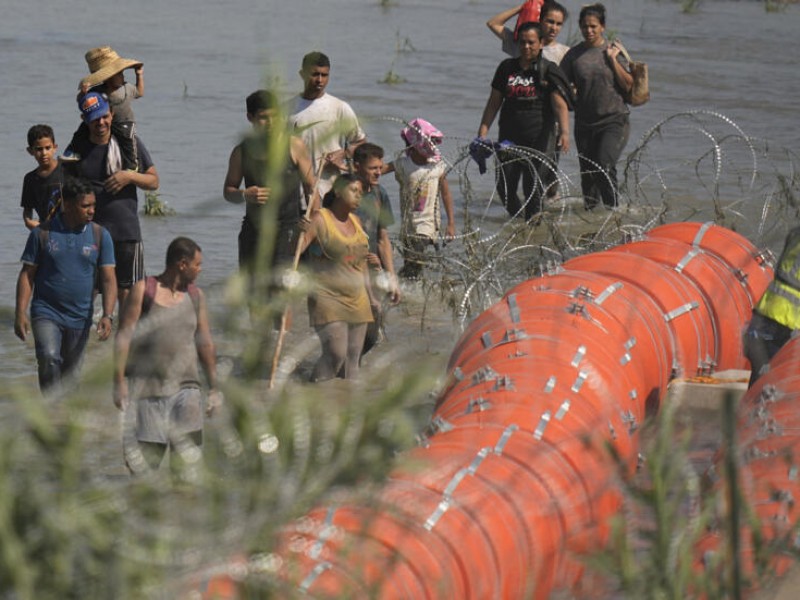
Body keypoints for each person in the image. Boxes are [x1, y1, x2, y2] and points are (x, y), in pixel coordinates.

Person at [113, 237, 223, 474]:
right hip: (148, 390)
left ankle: (183, 506)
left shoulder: (196, 297)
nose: (200, 269)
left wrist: (214, 389)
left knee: (186, 469)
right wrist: (119, 381)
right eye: (197, 264)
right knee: (144, 468)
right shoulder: (144, 290)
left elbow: (205, 343)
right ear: (182, 264)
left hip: (188, 389)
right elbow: (123, 337)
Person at [14, 177, 116, 394]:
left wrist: (108, 314)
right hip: (46, 312)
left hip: (80, 316)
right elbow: (27, 275)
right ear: (67, 205)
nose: (91, 211)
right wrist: (20, 312)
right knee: (49, 358)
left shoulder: (100, 235)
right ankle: (50, 409)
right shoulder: (41, 233)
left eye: (93, 205)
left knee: (71, 378)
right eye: (85, 206)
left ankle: (62, 420)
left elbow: (108, 278)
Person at [67, 91, 160, 313]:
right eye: (94, 118)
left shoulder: (129, 143)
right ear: (84, 120)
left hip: (126, 231)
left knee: (128, 294)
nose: (101, 122)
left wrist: (128, 176)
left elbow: (154, 181)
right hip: (90, 233)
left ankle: (124, 346)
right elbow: (64, 191)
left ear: (111, 113)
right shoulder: (77, 150)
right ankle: (83, 342)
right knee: (86, 290)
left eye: (104, 116)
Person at [223, 89, 319, 297]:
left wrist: (311, 223)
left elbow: (312, 190)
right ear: (250, 118)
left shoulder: (294, 146)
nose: (271, 123)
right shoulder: (242, 152)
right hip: (253, 232)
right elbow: (228, 191)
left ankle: (280, 331)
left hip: (288, 231)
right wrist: (245, 194)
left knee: (281, 297)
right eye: (263, 118)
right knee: (253, 294)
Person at [477, 22, 573, 220]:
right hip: (509, 137)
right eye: (522, 42)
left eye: (531, 43)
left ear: (541, 43)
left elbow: (559, 105)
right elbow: (494, 103)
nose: (526, 47)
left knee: (532, 187)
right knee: (505, 188)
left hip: (539, 139)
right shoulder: (507, 68)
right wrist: (483, 132)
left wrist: (564, 132)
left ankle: (533, 229)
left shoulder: (548, 70)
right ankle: (519, 224)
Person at [297, 174, 375, 381]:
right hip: (327, 296)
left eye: (361, 193)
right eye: (354, 191)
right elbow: (296, 254)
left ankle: (348, 406)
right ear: (338, 191)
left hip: (358, 298)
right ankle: (311, 393)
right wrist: (298, 234)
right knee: (335, 355)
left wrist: (372, 298)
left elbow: (362, 264)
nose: (359, 197)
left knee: (352, 362)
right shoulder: (319, 219)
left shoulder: (357, 221)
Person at [560, 3, 633, 209]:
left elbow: (629, 84)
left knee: (604, 164)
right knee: (588, 175)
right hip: (584, 123)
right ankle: (591, 218)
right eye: (584, 26)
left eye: (593, 26)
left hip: (614, 120)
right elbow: (559, 85)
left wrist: (612, 61)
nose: (588, 31)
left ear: (602, 26)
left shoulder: (614, 51)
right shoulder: (574, 55)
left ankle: (614, 212)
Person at [286, 51, 366, 198]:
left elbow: (360, 142)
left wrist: (342, 154)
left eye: (324, 75)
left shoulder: (339, 107)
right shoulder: (287, 108)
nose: (319, 80)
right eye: (315, 74)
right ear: (302, 74)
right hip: (294, 195)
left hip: (330, 192)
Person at [382, 118, 456, 279]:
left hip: (428, 225)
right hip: (408, 226)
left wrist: (450, 223)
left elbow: (446, 194)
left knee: (417, 258)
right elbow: (377, 171)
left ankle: (399, 285)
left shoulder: (437, 167)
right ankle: (405, 289)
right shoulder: (403, 164)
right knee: (411, 264)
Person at [352, 143, 401, 355]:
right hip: (347, 271)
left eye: (380, 167)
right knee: (352, 332)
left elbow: (382, 239)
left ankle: (342, 377)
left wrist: (391, 277)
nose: (379, 172)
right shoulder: (344, 193)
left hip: (372, 269)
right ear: (357, 167)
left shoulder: (380, 195)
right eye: (373, 168)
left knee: (371, 336)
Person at [65, 46, 145, 171]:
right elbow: (82, 103)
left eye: (122, 73)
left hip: (124, 121)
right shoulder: (96, 91)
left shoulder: (126, 88)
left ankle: (132, 165)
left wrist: (139, 75)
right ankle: (71, 151)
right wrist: (83, 93)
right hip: (102, 121)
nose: (122, 77)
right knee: (81, 131)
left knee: (128, 141)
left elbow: (139, 92)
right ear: (108, 77)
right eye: (119, 74)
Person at [745, 227, 800, 387]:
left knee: (759, 383)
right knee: (774, 386)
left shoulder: (796, 233)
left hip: (765, 313)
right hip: (788, 323)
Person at [487, 1, 570, 64]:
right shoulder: (523, 45)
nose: (554, 28)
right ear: (540, 20)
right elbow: (493, 23)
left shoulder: (565, 53)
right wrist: (525, 7)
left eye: (559, 24)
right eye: (550, 22)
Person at [21, 124, 66, 230]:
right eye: (39, 149)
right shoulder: (30, 179)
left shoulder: (67, 171)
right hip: (45, 230)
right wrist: (28, 222)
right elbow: (27, 208)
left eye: (48, 148)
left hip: (68, 229)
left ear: (55, 148)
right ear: (30, 151)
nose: (44, 153)